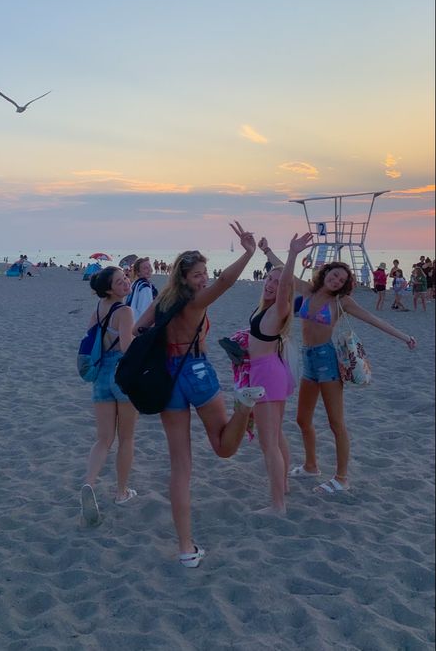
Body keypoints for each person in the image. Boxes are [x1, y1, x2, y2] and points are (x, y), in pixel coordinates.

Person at [133, 222, 265, 567]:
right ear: (184, 277)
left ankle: (186, 549)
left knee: (180, 466)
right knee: (224, 448)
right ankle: (244, 407)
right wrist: (249, 252)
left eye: (205, 274)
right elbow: (226, 282)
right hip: (196, 371)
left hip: (167, 377)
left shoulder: (163, 301)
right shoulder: (194, 302)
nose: (204, 279)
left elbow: (137, 329)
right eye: (197, 275)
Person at [270, 234, 416, 495]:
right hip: (308, 359)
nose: (336, 280)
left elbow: (372, 319)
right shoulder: (309, 291)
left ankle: (342, 477)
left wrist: (404, 337)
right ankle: (311, 465)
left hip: (327, 361)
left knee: (336, 422)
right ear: (325, 273)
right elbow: (284, 273)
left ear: (344, 285)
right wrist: (268, 250)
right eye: (333, 274)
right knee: (302, 419)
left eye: (341, 279)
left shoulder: (342, 302)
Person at [244, 246, 301, 513]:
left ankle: (277, 504)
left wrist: (292, 255)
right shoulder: (263, 309)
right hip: (267, 371)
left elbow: (285, 286)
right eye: (269, 279)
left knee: (268, 444)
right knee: (276, 436)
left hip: (266, 374)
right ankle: (284, 485)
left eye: (278, 284)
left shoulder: (280, 308)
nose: (271, 285)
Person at [80, 267, 138, 527]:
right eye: (120, 281)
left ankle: (89, 483)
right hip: (121, 375)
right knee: (126, 437)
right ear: (109, 289)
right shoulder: (124, 311)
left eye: (126, 278)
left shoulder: (97, 311)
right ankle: (121, 492)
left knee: (103, 439)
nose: (126, 283)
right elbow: (126, 347)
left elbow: (92, 344)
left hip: (101, 375)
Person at [127, 257, 158, 322]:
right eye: (145, 268)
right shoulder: (145, 287)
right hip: (140, 325)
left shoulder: (135, 283)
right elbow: (146, 310)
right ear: (138, 272)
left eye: (149, 266)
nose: (149, 269)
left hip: (131, 320)